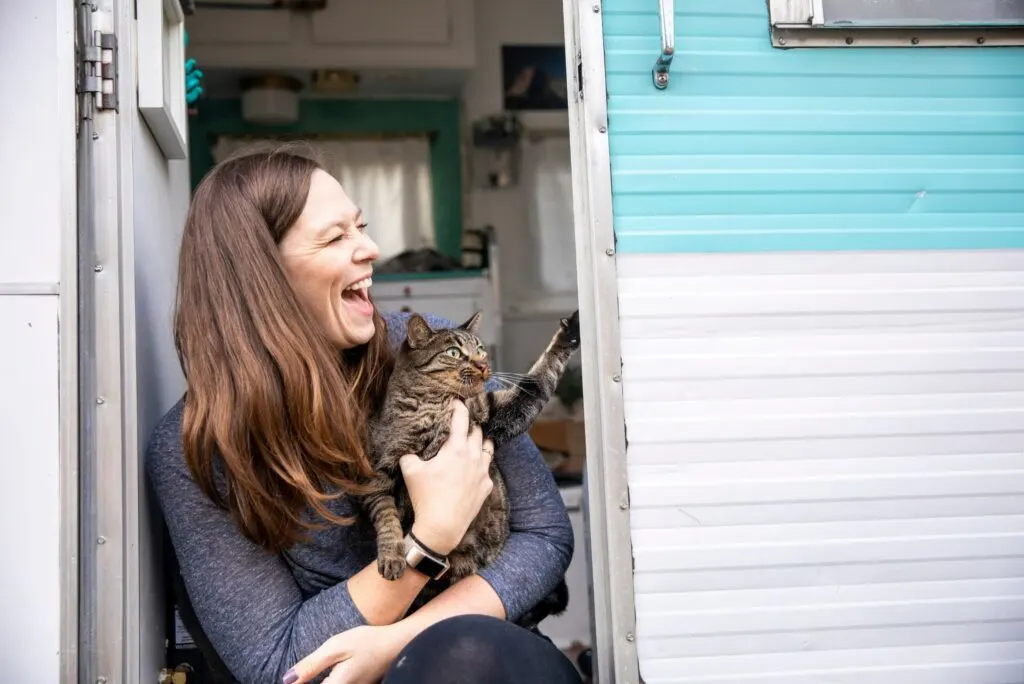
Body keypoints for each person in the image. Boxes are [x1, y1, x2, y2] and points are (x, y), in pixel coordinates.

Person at [145, 146, 583, 684]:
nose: (372, 249)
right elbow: (275, 662)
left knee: (462, 657)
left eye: (362, 227)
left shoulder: (422, 351)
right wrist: (431, 538)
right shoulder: (195, 448)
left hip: (483, 658)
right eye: (336, 237)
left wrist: (395, 642)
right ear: (261, 278)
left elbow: (545, 535)